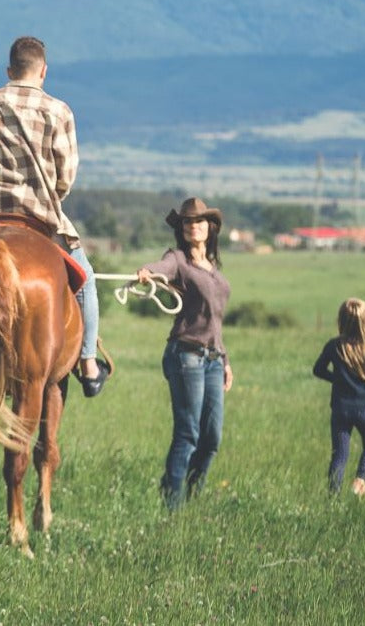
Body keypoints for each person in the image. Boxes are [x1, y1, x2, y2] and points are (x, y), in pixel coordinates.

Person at [0, 35, 106, 395]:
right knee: (86, 279)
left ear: (9, 70)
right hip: (39, 218)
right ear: (43, 72)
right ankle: (88, 361)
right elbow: (65, 176)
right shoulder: (59, 111)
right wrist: (49, 195)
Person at [136, 197, 233, 509]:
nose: (193, 226)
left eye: (199, 220)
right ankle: (172, 504)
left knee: (212, 438)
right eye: (187, 222)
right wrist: (148, 272)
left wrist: (225, 360)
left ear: (210, 227)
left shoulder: (213, 268)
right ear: (181, 229)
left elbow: (215, 321)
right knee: (188, 433)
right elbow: (162, 268)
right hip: (186, 355)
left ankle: (193, 494)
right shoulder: (178, 259)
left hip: (214, 359)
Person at [312, 298, 365, 496]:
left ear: (341, 320)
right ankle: (360, 480)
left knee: (340, 454)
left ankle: (333, 496)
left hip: (340, 409)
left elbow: (318, 369)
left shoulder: (334, 346)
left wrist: (337, 379)